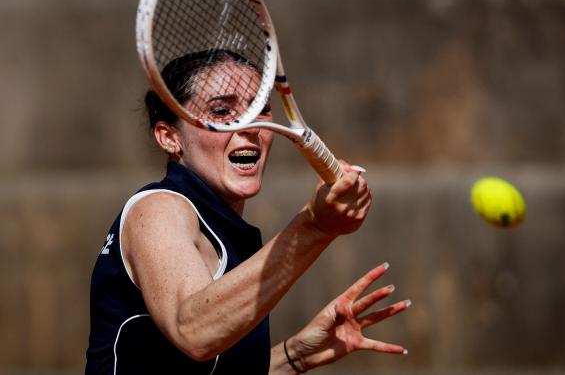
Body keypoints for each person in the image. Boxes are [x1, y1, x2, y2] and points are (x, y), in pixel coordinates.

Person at [85, 50, 410, 374]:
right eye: (223, 111)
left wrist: (294, 356)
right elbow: (193, 331)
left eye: (260, 109)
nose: (250, 126)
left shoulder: (227, 229)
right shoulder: (157, 210)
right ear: (169, 138)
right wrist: (314, 227)